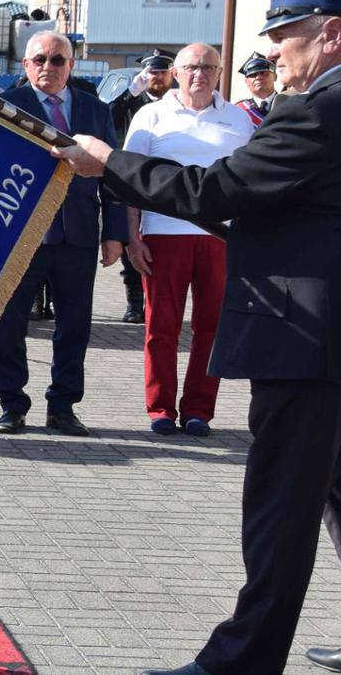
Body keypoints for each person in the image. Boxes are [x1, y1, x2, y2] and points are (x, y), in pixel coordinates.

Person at [55, 0, 341, 675]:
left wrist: (109, 165)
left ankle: (242, 660)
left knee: (283, 505)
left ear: (331, 35)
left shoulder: (319, 110)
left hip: (303, 340)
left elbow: (215, 191)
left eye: (285, 39)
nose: (275, 56)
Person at [0, 31, 124, 437]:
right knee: (10, 324)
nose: (49, 67)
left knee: (75, 327)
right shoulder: (7, 106)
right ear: (26, 65)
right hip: (22, 237)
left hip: (78, 234)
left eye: (58, 60)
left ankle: (62, 407)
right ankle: (12, 406)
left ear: (72, 65)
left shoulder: (95, 110)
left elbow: (113, 175)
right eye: (40, 59)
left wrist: (114, 234)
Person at [119, 43, 254, 438]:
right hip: (163, 235)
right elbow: (129, 182)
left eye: (209, 67)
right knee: (161, 327)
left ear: (220, 72)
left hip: (221, 238)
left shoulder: (238, 119)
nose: (201, 74)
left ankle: (198, 410)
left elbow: (249, 181)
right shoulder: (150, 115)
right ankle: (160, 408)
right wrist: (133, 237)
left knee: (211, 329)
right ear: (176, 72)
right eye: (192, 67)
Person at [107, 48, 174, 324]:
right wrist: (132, 92)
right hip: (133, 181)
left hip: (165, 181)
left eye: (161, 72)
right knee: (130, 241)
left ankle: (157, 301)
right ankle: (135, 304)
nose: (156, 77)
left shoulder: (176, 102)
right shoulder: (132, 100)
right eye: (152, 72)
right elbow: (109, 116)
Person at [235, 53, 281, 124]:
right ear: (246, 81)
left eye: (264, 73)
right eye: (253, 75)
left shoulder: (288, 103)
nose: (258, 77)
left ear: (275, 77)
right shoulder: (239, 109)